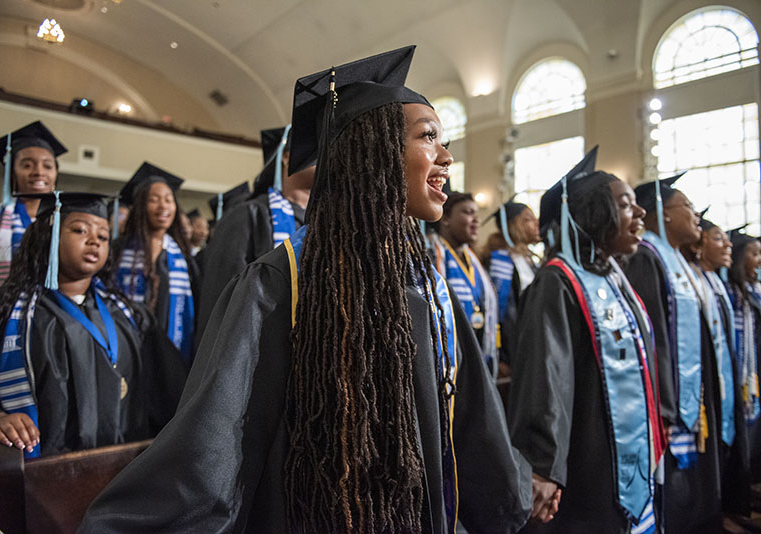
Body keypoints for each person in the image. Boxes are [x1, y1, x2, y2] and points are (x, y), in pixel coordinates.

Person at [79, 45, 535, 533]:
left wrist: (515, 491)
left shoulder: (424, 282)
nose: (447, 157)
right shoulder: (281, 283)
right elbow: (214, 441)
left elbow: (468, 417)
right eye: (429, 137)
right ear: (374, 149)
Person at [0, 192, 185, 474]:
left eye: (103, 237)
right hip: (38, 483)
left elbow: (171, 394)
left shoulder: (132, 318)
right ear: (48, 235)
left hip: (124, 479)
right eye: (80, 230)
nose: (94, 241)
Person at [509, 166, 664, 533]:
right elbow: (545, 380)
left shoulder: (613, 275)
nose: (640, 212)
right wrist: (543, 465)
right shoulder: (556, 281)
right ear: (594, 216)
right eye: (625, 205)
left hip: (626, 451)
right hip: (586, 459)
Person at [625, 175, 724, 533]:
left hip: (694, 394)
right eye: (688, 207)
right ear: (663, 214)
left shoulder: (679, 262)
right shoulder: (647, 257)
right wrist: (666, 404)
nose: (696, 215)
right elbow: (654, 340)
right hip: (670, 402)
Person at [196, 127, 314, 342]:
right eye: (314, 145)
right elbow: (222, 300)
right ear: (286, 157)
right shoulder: (249, 216)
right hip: (261, 352)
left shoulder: (329, 223)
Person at [685, 218, 752, 532]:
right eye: (717, 238)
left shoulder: (714, 283)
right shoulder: (692, 281)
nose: (726, 245)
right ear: (699, 245)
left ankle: (726, 508)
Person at [0, 121, 66, 301]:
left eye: (47, 166)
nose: (39, 172)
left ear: (56, 173)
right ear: (12, 173)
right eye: (27, 165)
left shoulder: (67, 224)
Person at [112, 163, 200, 365]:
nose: (163, 207)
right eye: (154, 200)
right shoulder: (117, 250)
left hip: (171, 355)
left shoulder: (184, 258)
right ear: (141, 205)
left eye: (169, 200)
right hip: (128, 349)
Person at [433, 191, 498, 374]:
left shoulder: (475, 263)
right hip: (451, 357)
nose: (476, 220)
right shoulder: (432, 257)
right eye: (468, 212)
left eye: (476, 213)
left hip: (477, 355)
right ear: (445, 218)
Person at [480, 197, 540, 372]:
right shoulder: (500, 260)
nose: (536, 223)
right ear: (513, 225)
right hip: (512, 352)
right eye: (528, 219)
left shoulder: (528, 259)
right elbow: (500, 311)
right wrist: (503, 356)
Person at [726, 229, 761, 483]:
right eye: (754, 253)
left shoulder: (753, 291)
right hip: (739, 373)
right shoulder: (730, 292)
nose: (759, 260)